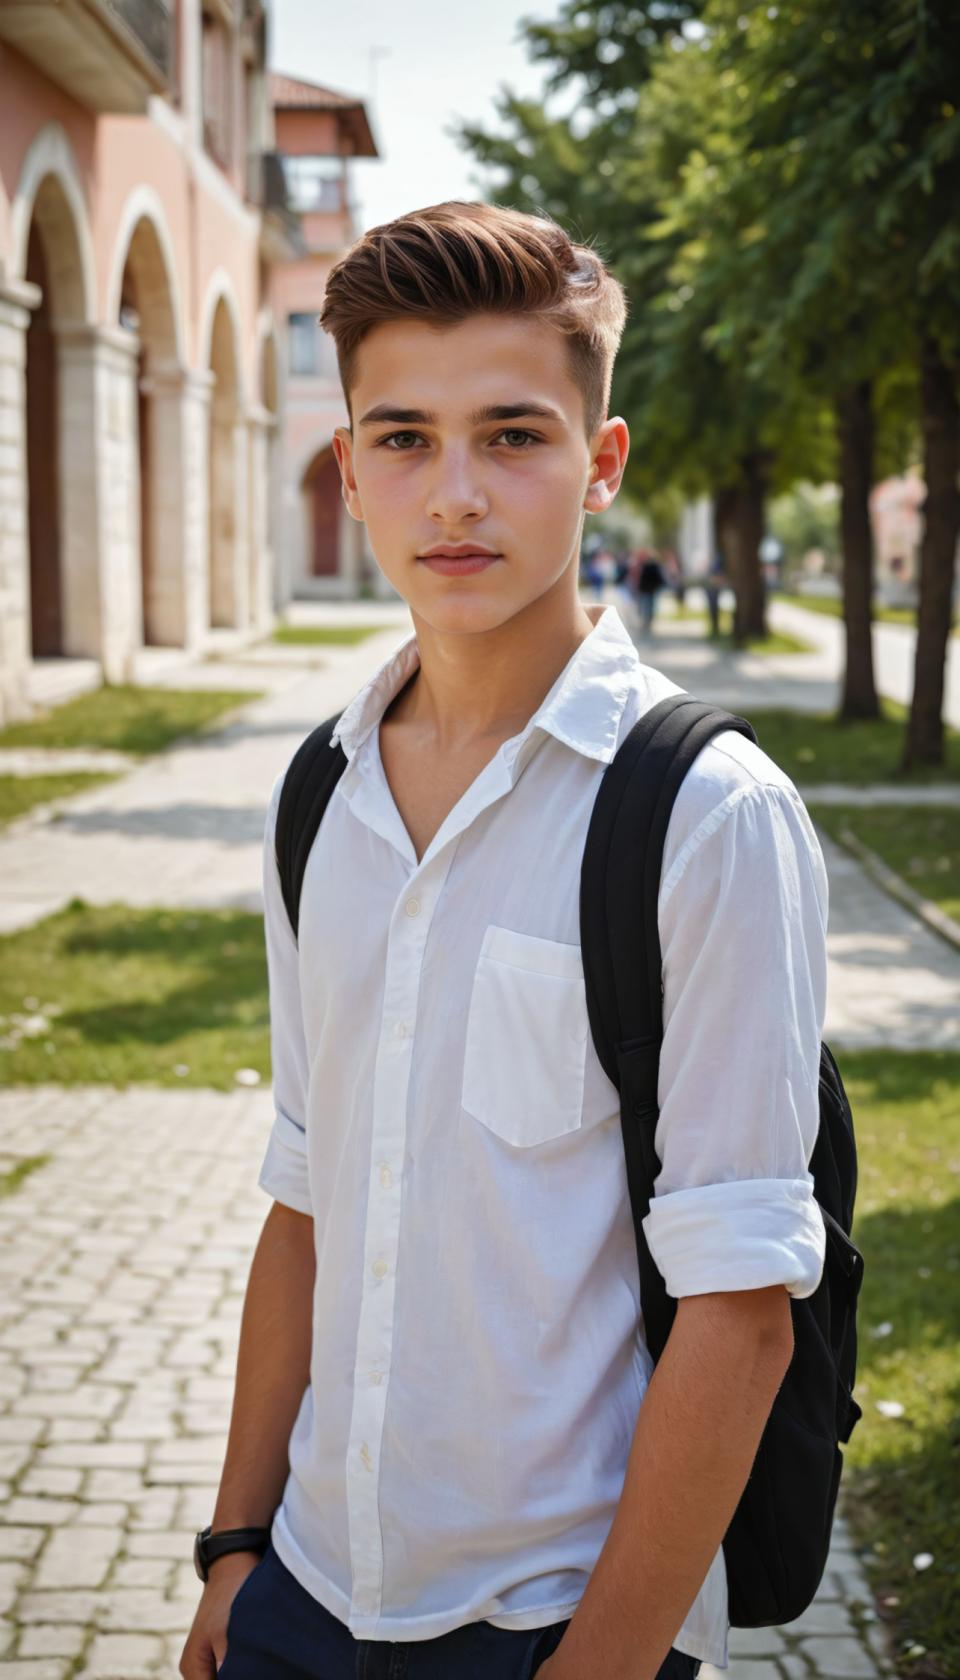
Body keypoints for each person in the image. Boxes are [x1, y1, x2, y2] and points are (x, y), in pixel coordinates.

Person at [180, 201, 829, 1680]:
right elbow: (305, 1196)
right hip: (300, 1601)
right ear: (348, 471)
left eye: (514, 436)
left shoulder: (708, 813)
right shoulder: (317, 796)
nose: (454, 493)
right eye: (402, 438)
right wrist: (233, 1550)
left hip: (556, 1624)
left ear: (601, 465)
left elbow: (742, 1311)